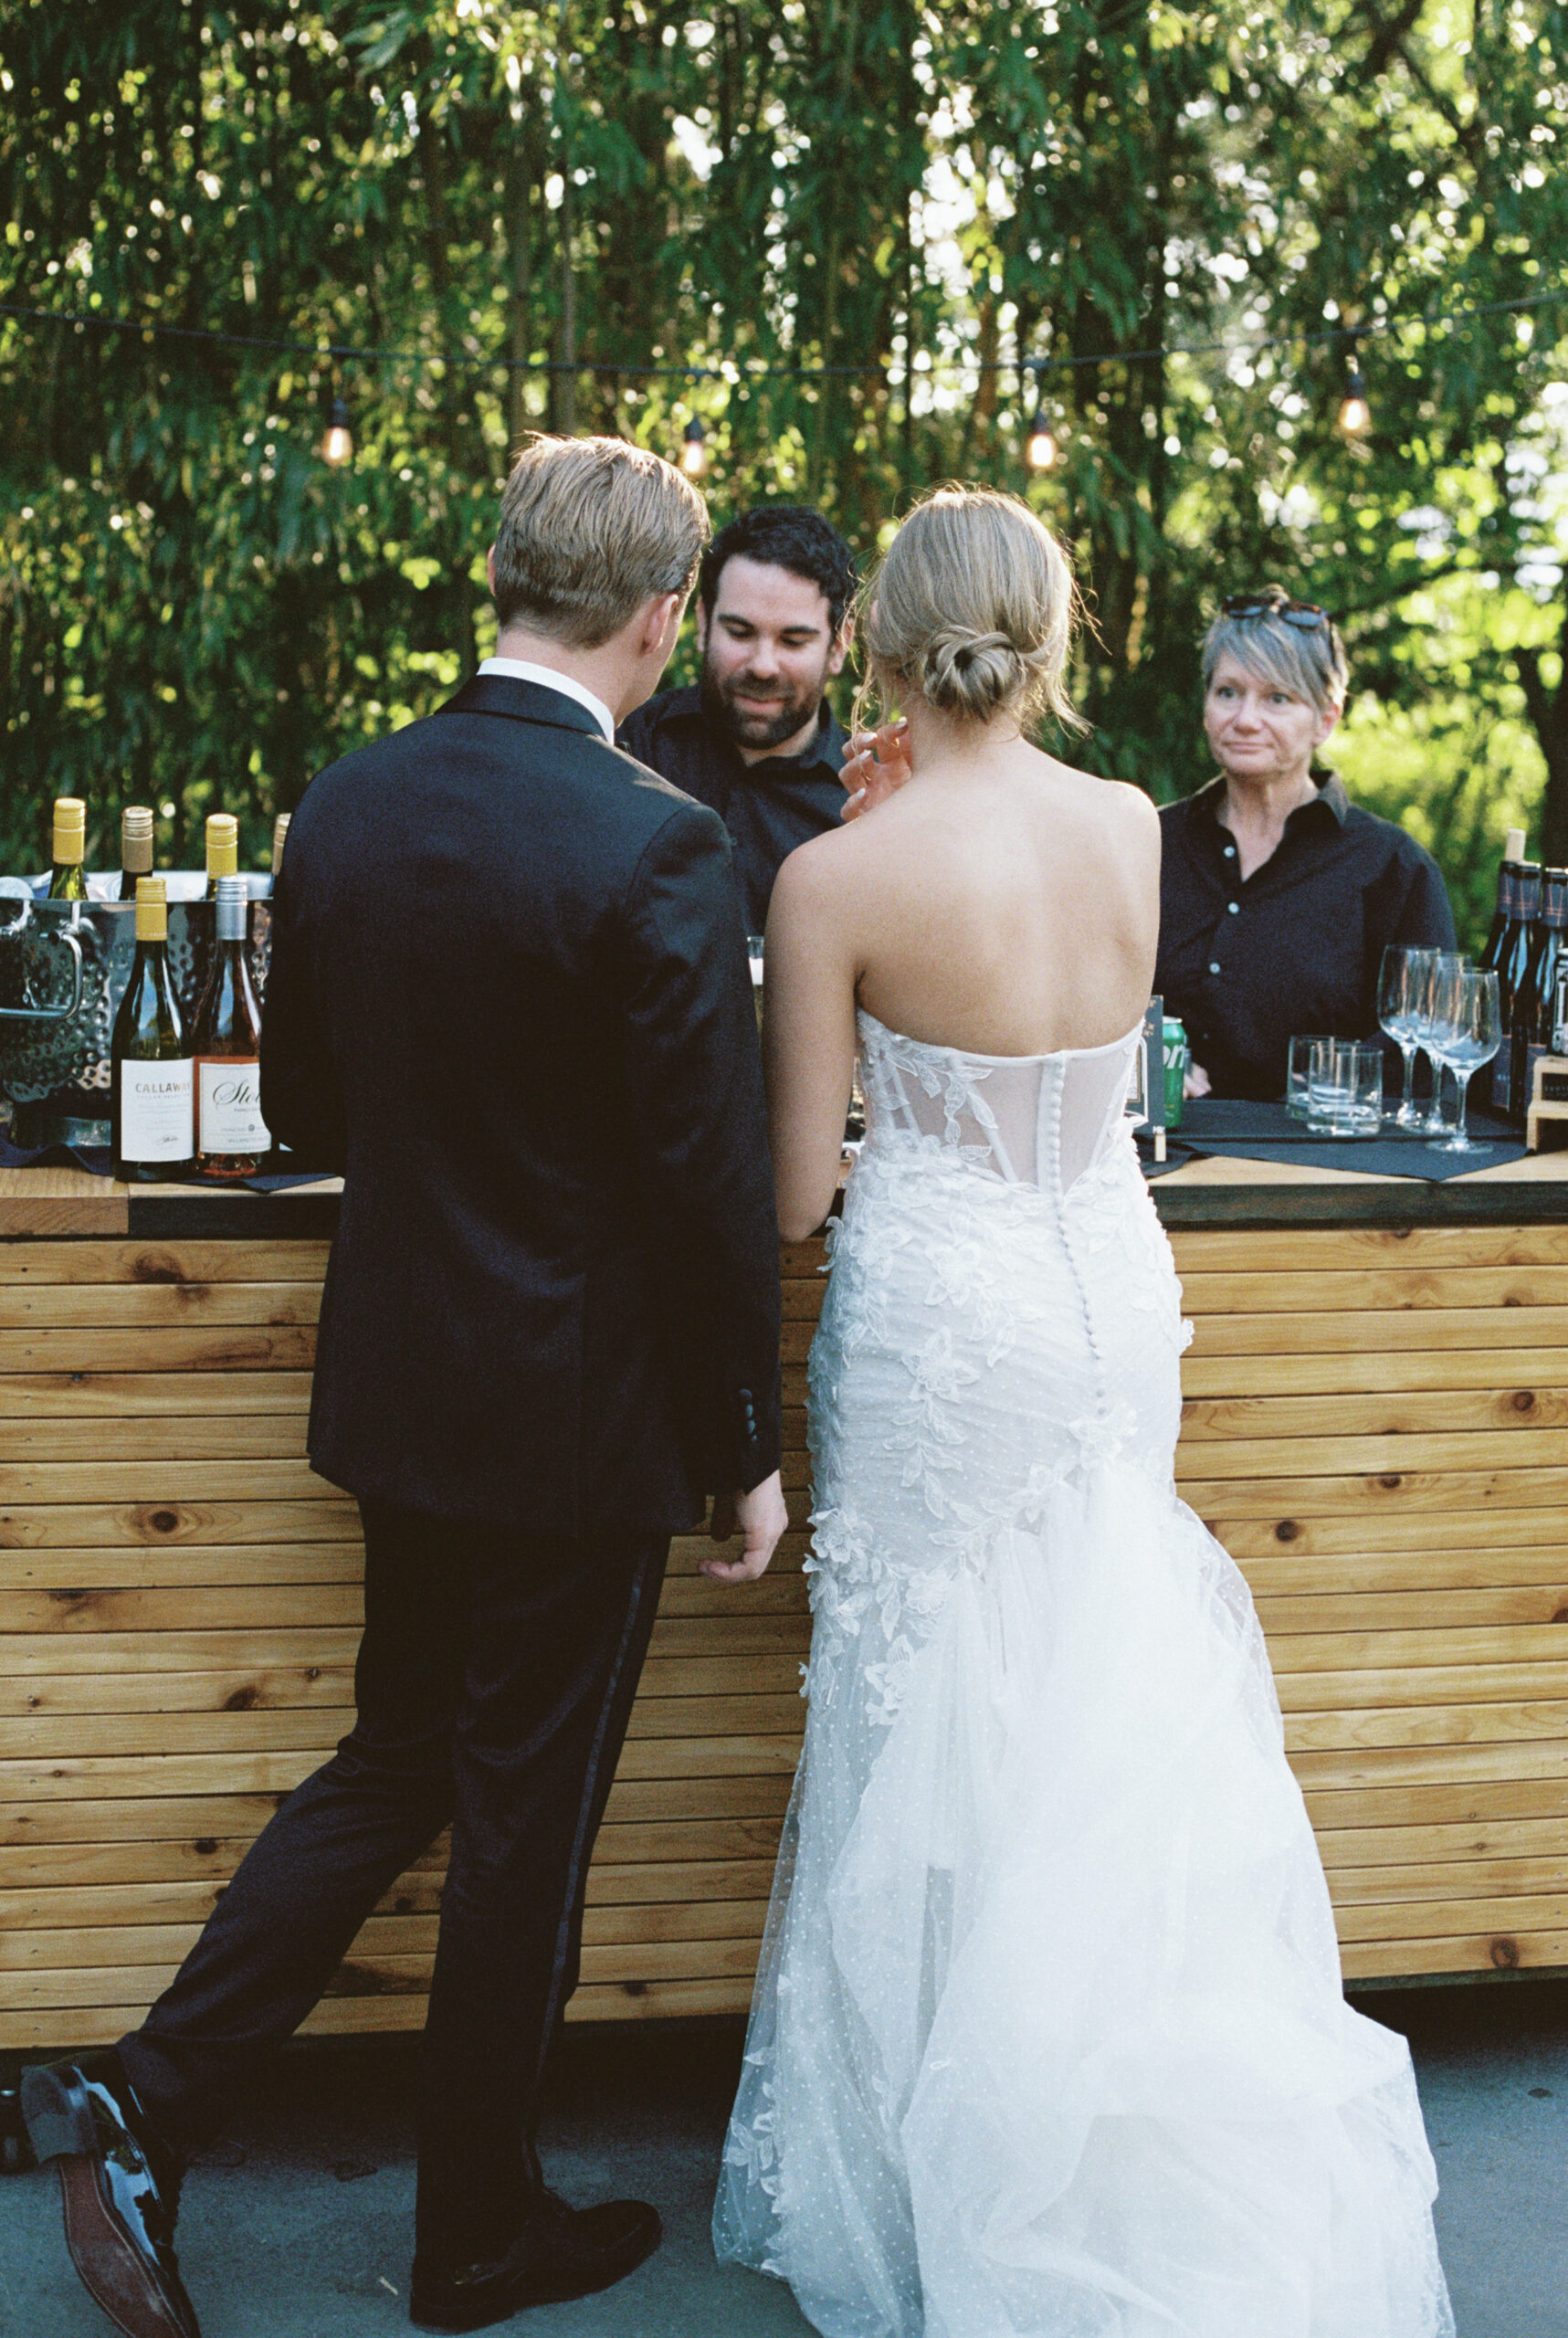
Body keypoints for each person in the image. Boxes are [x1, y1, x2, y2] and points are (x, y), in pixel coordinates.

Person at [21, 436, 789, 2338]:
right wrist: (745, 1454)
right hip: (580, 1420)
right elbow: (705, 1195)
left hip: (404, 1388)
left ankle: (140, 2093)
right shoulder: (660, 844)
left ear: (508, 579)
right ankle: (470, 2237)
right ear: (655, 616)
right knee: (521, 1826)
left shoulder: (349, 802)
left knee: (400, 1756)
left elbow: (301, 1111)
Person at [713, 488, 1454, 2337]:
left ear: (878, 639)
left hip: (942, 1312)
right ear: (1045, 635)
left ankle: (935, 2164)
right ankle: (1112, 2129)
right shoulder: (1130, 824)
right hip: (1110, 1293)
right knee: (1095, 1691)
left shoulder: (835, 875)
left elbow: (797, 1191)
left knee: (929, 1707)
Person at [1155, 586, 1456, 1100]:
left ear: (1326, 719)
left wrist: (1328, 1085)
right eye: (1228, 692)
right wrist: (1144, 1058)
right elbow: (1079, 1000)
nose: (1245, 719)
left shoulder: (1392, 868)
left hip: (1319, 1167)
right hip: (1159, 1162)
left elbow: (1431, 1049)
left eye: (1277, 698)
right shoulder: (1149, 844)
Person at [616, 503, 857, 933]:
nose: (763, 666)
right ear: (704, 622)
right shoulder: (632, 747)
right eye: (741, 633)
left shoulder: (862, 801)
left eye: (793, 641)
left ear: (839, 645)